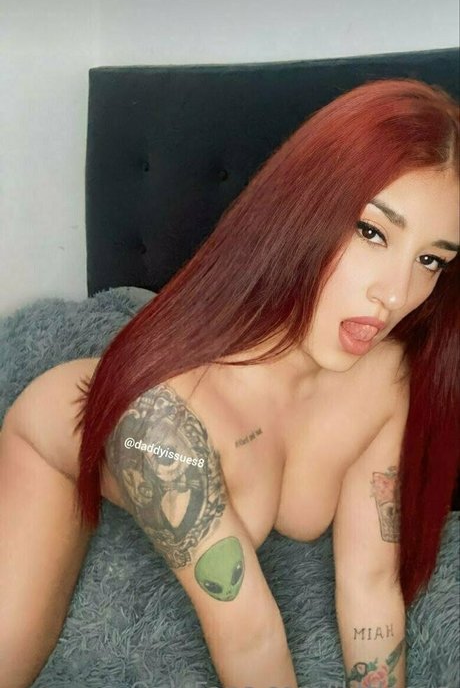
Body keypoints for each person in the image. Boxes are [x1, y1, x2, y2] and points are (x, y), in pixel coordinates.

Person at [0, 77, 458, 688]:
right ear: (302, 208)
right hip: (61, 443)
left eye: (430, 260)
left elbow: (371, 587)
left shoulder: (385, 377)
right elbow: (249, 634)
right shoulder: (163, 429)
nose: (396, 295)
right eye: (372, 232)